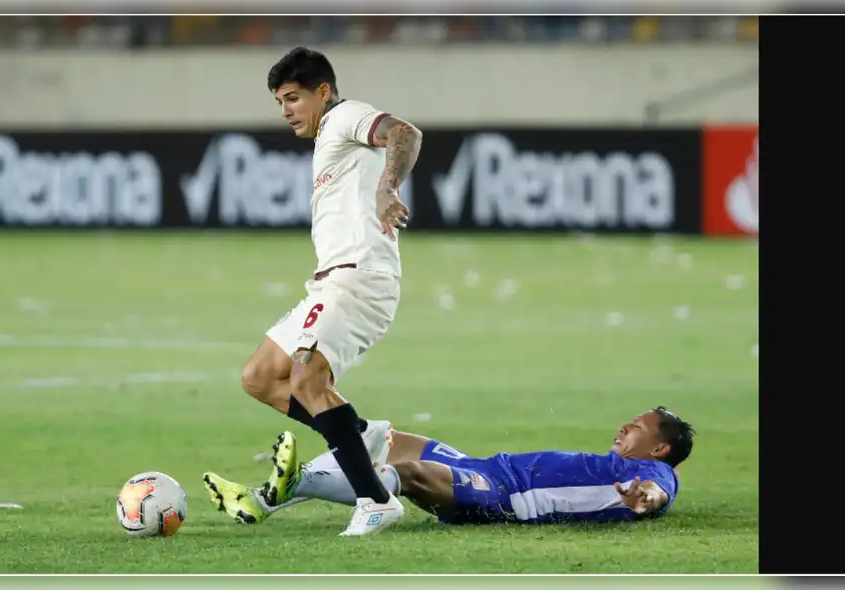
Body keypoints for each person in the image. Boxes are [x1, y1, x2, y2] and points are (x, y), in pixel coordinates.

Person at [229, 46, 423, 536]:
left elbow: (404, 132)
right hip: (329, 282)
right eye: (280, 102)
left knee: (306, 379)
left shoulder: (344, 117)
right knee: (259, 377)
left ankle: (375, 500)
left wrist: (388, 188)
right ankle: (361, 435)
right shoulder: (329, 140)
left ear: (323, 92)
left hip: (359, 278)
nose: (285, 110)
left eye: (293, 98)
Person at [204, 408, 694, 527]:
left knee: (413, 473)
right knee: (376, 436)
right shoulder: (614, 463)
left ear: (659, 449)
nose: (625, 426)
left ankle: (301, 481)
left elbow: (656, 494)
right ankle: (262, 500)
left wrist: (646, 499)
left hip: (499, 498)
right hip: (484, 467)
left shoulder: (656, 476)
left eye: (637, 427)